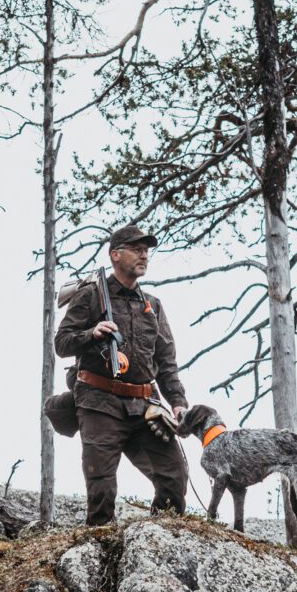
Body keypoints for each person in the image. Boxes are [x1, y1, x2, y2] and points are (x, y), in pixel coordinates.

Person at [54, 224, 190, 526]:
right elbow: (61, 344)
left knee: (174, 479)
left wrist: (178, 403)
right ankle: (99, 555)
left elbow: (166, 362)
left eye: (146, 250)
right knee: (101, 489)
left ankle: (156, 543)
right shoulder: (90, 296)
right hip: (99, 403)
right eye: (136, 249)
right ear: (116, 255)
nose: (144, 255)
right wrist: (92, 333)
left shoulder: (152, 305)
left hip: (145, 407)